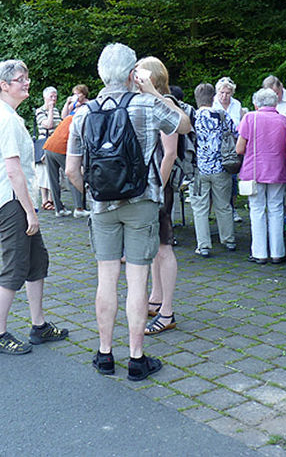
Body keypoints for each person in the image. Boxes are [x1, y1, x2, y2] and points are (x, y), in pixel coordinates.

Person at [66, 43, 190, 380]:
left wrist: (93, 197)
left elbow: (71, 171)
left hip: (102, 206)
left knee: (105, 279)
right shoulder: (148, 105)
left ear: (100, 74)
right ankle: (137, 359)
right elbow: (184, 126)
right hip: (141, 203)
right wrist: (153, 91)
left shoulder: (82, 112)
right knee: (138, 281)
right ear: (133, 72)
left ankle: (105, 354)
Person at [0, 59, 68, 354]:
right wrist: (31, 212)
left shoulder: (9, 115)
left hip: (18, 199)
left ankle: (39, 326)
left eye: (27, 77)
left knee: (36, 262)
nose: (27, 82)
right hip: (12, 202)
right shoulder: (4, 119)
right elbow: (13, 171)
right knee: (14, 267)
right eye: (20, 79)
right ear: (4, 86)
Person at [135, 56, 189, 336]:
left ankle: (167, 311)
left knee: (164, 247)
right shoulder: (155, 102)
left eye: (140, 75)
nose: (135, 79)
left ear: (152, 77)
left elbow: (170, 153)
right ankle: (156, 299)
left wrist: (158, 187)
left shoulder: (165, 103)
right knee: (156, 246)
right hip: (155, 184)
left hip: (160, 185)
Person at [236, 88, 286, 264]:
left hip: (254, 171)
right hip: (278, 169)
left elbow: (239, 148)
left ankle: (259, 253)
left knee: (257, 210)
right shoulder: (283, 120)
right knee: (276, 209)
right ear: (275, 103)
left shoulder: (250, 118)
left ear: (256, 103)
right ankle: (277, 252)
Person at [191, 82, 236, 257]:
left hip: (200, 169)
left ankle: (203, 245)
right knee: (223, 205)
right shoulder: (222, 115)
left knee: (200, 207)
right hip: (221, 167)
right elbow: (235, 133)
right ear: (213, 97)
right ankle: (228, 239)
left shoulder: (192, 117)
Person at [213, 76, 244, 223]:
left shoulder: (236, 105)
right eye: (222, 93)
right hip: (217, 145)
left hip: (232, 145)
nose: (224, 96)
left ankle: (232, 209)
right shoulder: (213, 105)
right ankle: (221, 209)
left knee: (232, 177)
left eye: (228, 93)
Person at [34, 86, 61, 211]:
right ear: (45, 97)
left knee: (54, 171)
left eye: (55, 96)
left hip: (54, 144)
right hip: (44, 144)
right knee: (43, 172)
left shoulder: (56, 110)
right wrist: (50, 110)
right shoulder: (40, 111)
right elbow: (48, 124)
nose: (54, 98)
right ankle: (44, 200)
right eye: (51, 96)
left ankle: (52, 199)